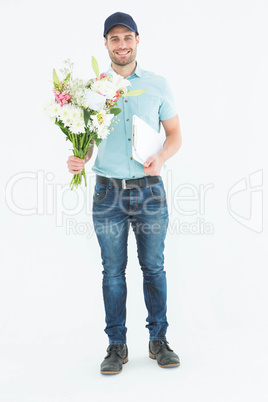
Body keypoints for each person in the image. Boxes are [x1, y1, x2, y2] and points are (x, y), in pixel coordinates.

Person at [67, 12, 182, 375]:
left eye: (127, 37)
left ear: (137, 40)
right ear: (105, 43)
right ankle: (116, 346)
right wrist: (79, 157)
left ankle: (158, 340)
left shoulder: (158, 85)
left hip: (149, 192)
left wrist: (161, 156)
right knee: (113, 273)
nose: (121, 44)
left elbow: (175, 135)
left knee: (154, 268)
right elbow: (86, 141)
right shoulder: (91, 89)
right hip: (108, 195)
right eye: (114, 38)